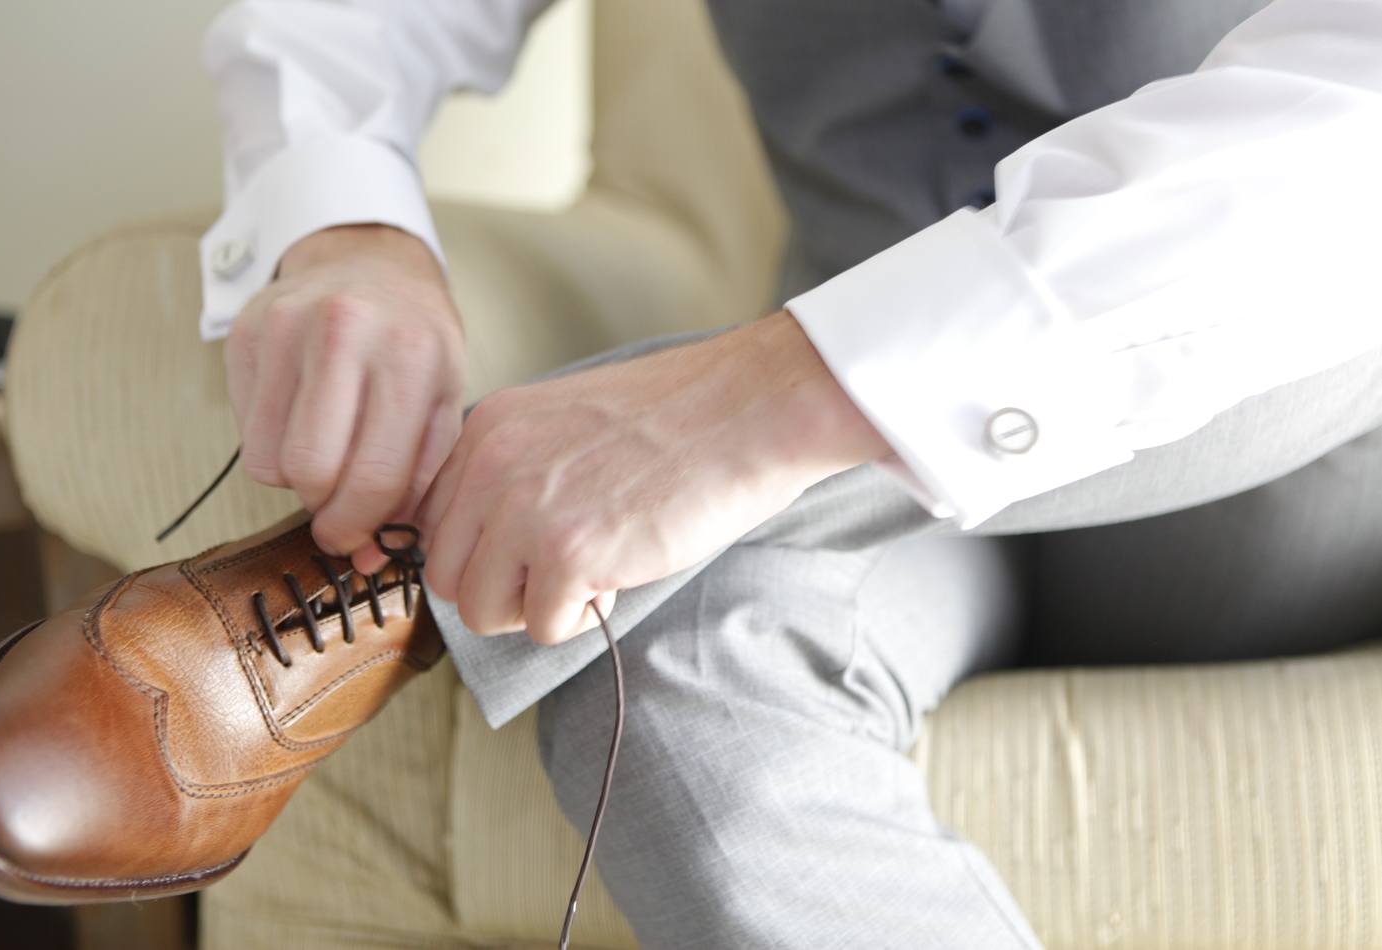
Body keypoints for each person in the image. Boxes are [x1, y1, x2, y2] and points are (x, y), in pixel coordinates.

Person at [198, 1, 1382, 945]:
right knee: (669, 631)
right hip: (910, 516)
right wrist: (349, 222)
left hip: (1291, 440)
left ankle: (395, 589)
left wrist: (761, 398)